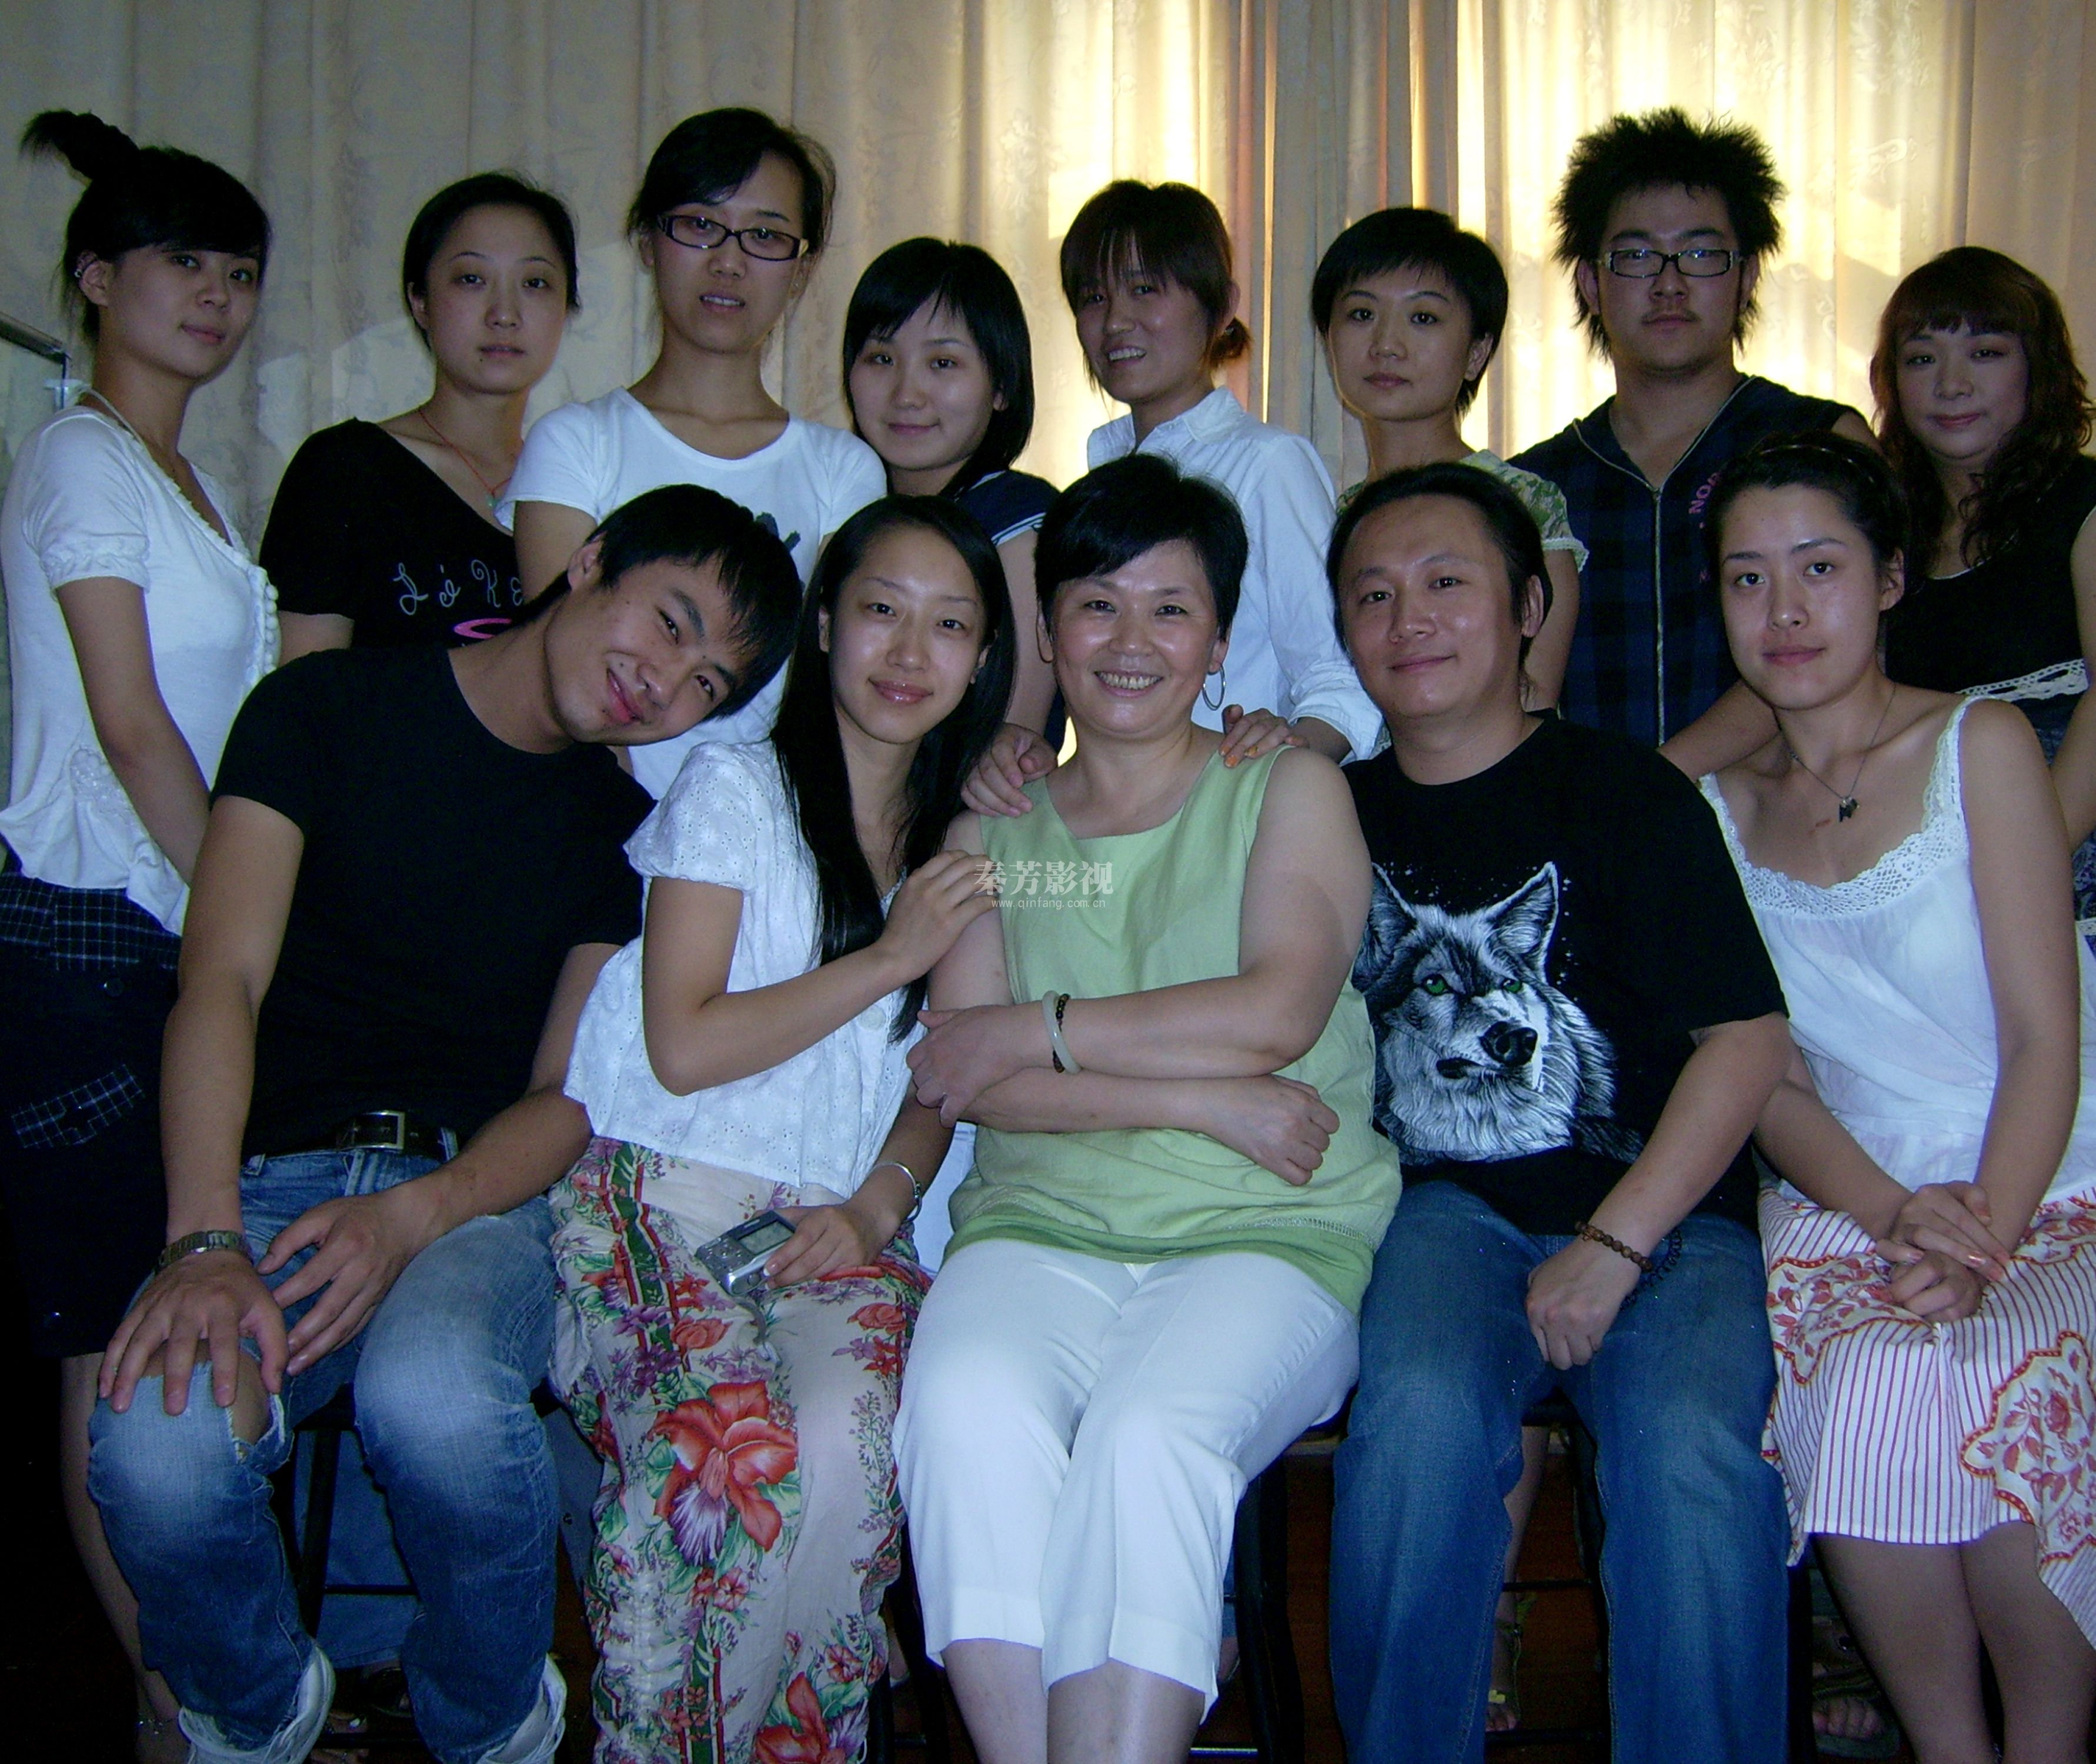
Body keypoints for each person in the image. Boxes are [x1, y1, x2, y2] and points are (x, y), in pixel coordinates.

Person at [86, 486, 802, 1764]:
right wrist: (203, 1241)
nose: (664, 684)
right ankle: (256, 1713)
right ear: (589, 561)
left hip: (477, 1198)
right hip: (268, 1183)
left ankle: (489, 1725)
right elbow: (222, 982)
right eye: (670, 622)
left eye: (708, 684)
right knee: (156, 1442)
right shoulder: (321, 708)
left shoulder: (620, 834)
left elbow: (565, 1098)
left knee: (436, 1397)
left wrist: (414, 1213)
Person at [895, 454, 1403, 1764]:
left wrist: (1040, 1029)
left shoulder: (1284, 787)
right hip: (1039, 1228)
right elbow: (967, 1076)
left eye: (1171, 609)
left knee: (1147, 1436)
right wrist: (1211, 1103)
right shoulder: (994, 835)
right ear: (1047, 634)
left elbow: (1275, 1011)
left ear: (1220, 640)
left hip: (1265, 1236)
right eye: (1096, 606)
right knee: (958, 1405)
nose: (1131, 642)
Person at [1326, 462, 1794, 1763]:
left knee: (1691, 1455)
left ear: (1529, 608)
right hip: (1442, 1217)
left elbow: (1746, 1038)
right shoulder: (1328, 814)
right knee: (1415, 1423)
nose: (1407, 618)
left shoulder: (1627, 792)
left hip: (1665, 1217)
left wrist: (1615, 1242)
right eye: (1372, 594)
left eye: (1445, 582)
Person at [554, 495, 1012, 1762]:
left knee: (852, 1462)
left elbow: (942, 1075)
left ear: (984, 657)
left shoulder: (963, 840)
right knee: (727, 1465)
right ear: (824, 626)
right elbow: (684, 1043)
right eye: (880, 611)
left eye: (949, 626)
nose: (909, 652)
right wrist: (891, 957)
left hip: (839, 1225)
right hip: (666, 1196)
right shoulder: (733, 786)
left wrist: (877, 1205)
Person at [1699, 435, 2096, 1764]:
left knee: (1994, 1369)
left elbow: (2044, 1036)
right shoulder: (1709, 813)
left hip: (2045, 1169)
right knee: (1867, 1382)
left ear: (1886, 580)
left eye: (1818, 568)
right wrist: (1889, 1214)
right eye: (1747, 578)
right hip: (1846, 1191)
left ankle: (2046, 1737)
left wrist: (1980, 1235)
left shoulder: (1980, 744)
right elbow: (1763, 1071)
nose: (1784, 609)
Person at [0, 109, 274, 1764]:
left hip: (164, 934)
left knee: (153, 1317)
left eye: (238, 271)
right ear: (98, 277)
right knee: (111, 1339)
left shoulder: (188, 482)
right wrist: (247, 908)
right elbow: (130, 726)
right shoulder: (82, 456)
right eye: (183, 263)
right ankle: (171, 1705)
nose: (217, 297)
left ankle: (182, 1698)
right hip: (83, 937)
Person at [964, 179, 1381, 817]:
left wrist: (1282, 757)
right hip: (1121, 818)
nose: (1115, 321)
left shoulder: (1267, 464)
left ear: (1221, 307)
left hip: (1234, 821)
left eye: (1145, 290)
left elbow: (1341, 677)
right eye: (1094, 297)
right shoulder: (1100, 472)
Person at [505, 107, 885, 797]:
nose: (729, 261)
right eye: (700, 225)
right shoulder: (576, 443)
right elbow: (567, 689)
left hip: (772, 827)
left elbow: (832, 698)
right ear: (649, 241)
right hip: (602, 825)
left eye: (765, 236)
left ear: (802, 269)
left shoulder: (845, 471)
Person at [1509, 106, 1870, 750]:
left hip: (1797, 802)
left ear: (1748, 276)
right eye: (1636, 256)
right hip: (1594, 809)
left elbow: (1871, 645)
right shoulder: (1535, 485)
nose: (1669, 284)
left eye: (1701, 254)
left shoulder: (1820, 440)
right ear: (1590, 282)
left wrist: (1663, 781)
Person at [266, 173, 578, 657]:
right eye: (471, 279)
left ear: (566, 307)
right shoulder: (346, 469)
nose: (504, 313)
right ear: (420, 301)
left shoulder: (580, 484)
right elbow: (303, 686)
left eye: (535, 283)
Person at [1313, 206, 1584, 711]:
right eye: (1362, 314)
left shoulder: (1523, 502)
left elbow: (1533, 700)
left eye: (1423, 318)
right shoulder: (1329, 514)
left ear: (1477, 353)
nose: (1386, 345)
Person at [844, 236, 1059, 738]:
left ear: (1001, 386)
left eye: (942, 363)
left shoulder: (1021, 525)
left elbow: (1010, 742)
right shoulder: (850, 512)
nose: (906, 394)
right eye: (881, 358)